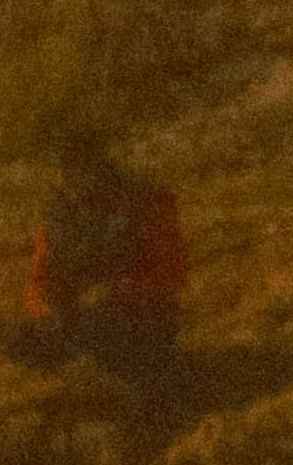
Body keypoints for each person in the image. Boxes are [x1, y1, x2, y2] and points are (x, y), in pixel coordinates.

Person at [10, 130, 185, 391]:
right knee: (17, 337)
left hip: (139, 319)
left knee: (97, 327)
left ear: (99, 167)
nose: (70, 178)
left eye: (79, 168)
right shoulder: (60, 215)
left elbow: (171, 274)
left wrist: (119, 292)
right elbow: (40, 278)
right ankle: (88, 376)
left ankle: (126, 381)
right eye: (66, 170)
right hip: (77, 320)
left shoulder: (142, 203)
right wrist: (46, 309)